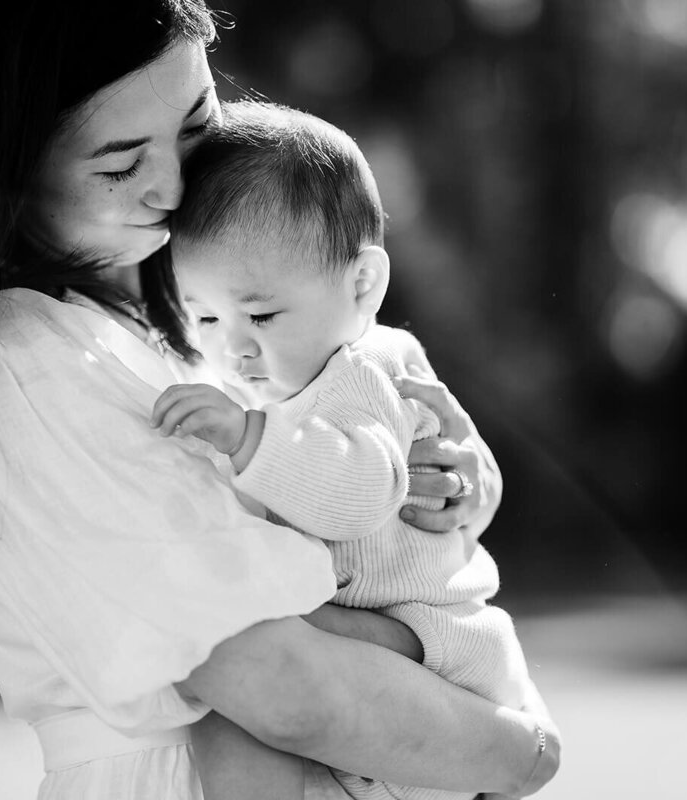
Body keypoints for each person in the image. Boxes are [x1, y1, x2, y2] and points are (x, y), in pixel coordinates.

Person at [0, 1, 559, 797]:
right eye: (119, 165)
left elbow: (322, 565)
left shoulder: (170, 335)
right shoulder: (21, 360)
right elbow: (280, 678)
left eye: (197, 131)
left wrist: (437, 496)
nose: (172, 191)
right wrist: (518, 746)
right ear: (5, 172)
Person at [150, 101, 547, 800]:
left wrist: (247, 441)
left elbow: (364, 493)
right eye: (205, 315)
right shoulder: (259, 381)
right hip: (370, 656)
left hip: (430, 644)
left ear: (361, 284)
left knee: (237, 701)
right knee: (227, 718)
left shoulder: (360, 373)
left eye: (262, 314)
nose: (232, 345)